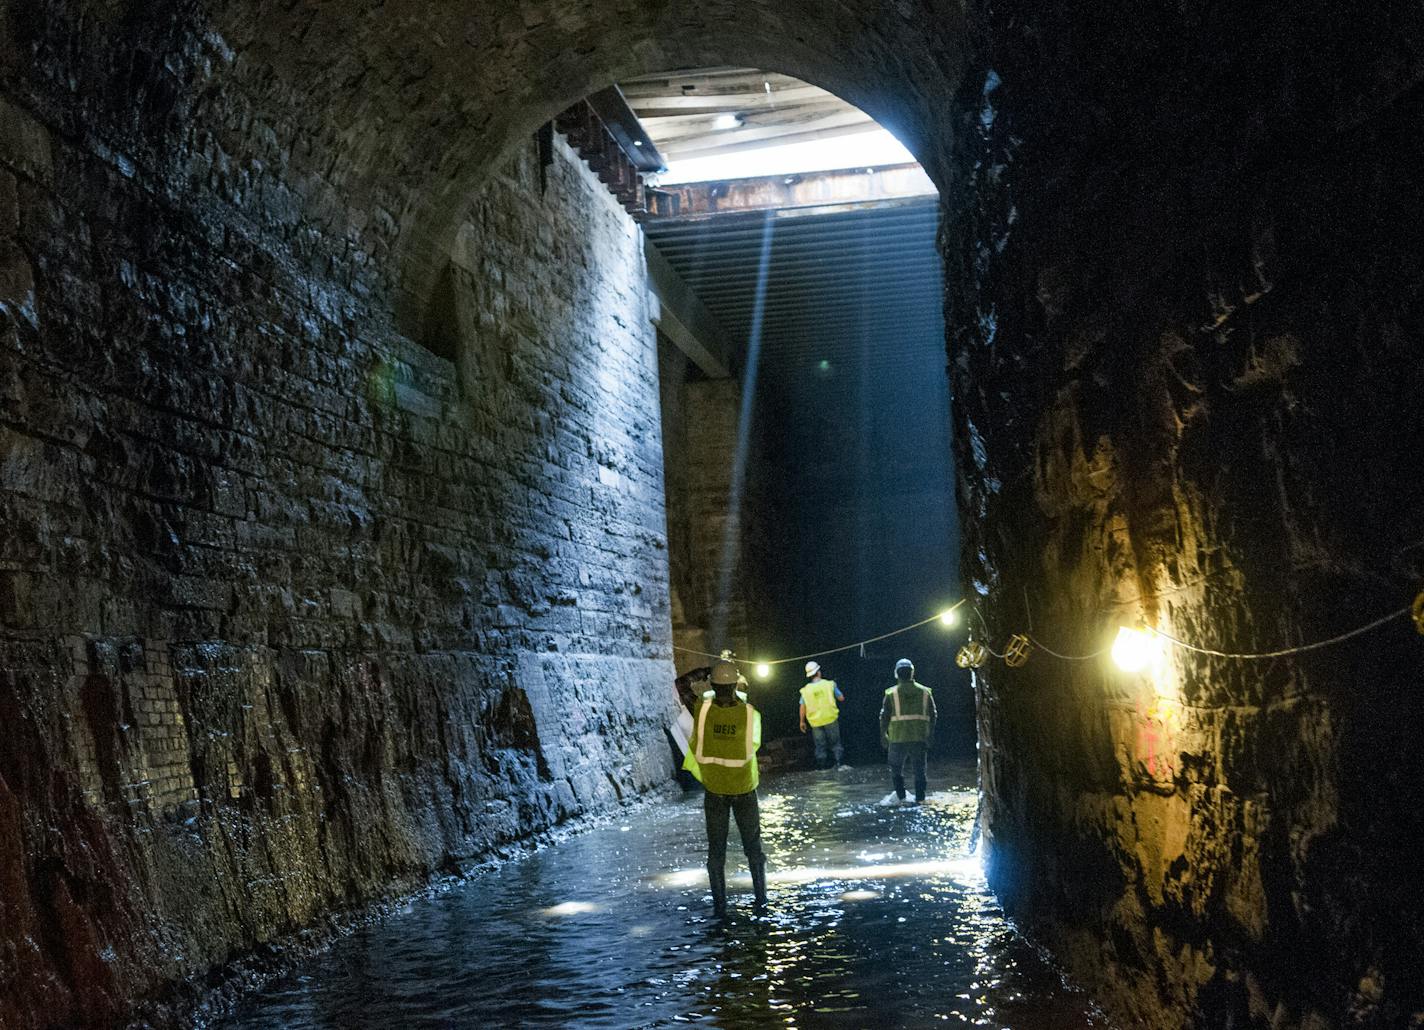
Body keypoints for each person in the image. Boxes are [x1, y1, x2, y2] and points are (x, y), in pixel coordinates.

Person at [683, 658, 768, 916]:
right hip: (743, 788)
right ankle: (761, 901)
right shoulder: (750, 713)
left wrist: (704, 672)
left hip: (715, 789)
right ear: (735, 684)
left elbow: (682, 686)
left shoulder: (703, 710)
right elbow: (753, 745)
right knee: (753, 848)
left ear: (713, 684)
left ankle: (720, 907)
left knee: (716, 851)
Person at [879, 657, 936, 802]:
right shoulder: (925, 692)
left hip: (898, 738)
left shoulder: (891, 694)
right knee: (920, 771)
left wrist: (883, 735)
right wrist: (931, 735)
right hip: (919, 737)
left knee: (896, 770)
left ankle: (901, 798)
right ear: (912, 673)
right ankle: (920, 800)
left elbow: (884, 717)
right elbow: (933, 714)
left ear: (896, 674)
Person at [799, 661, 847, 769]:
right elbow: (841, 698)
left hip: (815, 722)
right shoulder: (829, 684)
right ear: (819, 672)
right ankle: (839, 764)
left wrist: (802, 721)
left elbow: (802, 706)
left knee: (820, 746)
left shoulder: (806, 690)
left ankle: (822, 767)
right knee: (835, 743)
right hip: (830, 718)